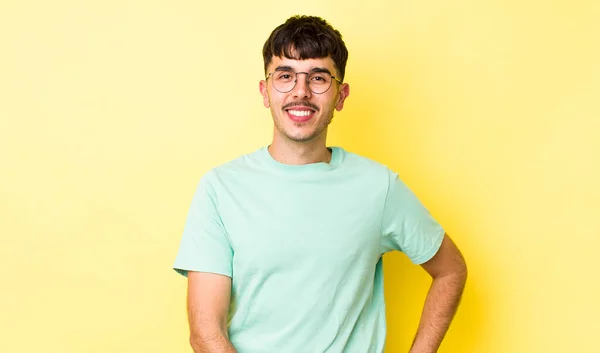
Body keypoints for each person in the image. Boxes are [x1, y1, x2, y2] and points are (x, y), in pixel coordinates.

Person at [173, 15, 467, 353]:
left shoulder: (378, 187)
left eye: (318, 78)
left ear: (340, 95)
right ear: (265, 92)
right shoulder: (220, 189)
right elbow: (206, 333)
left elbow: (450, 270)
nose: (301, 91)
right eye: (285, 76)